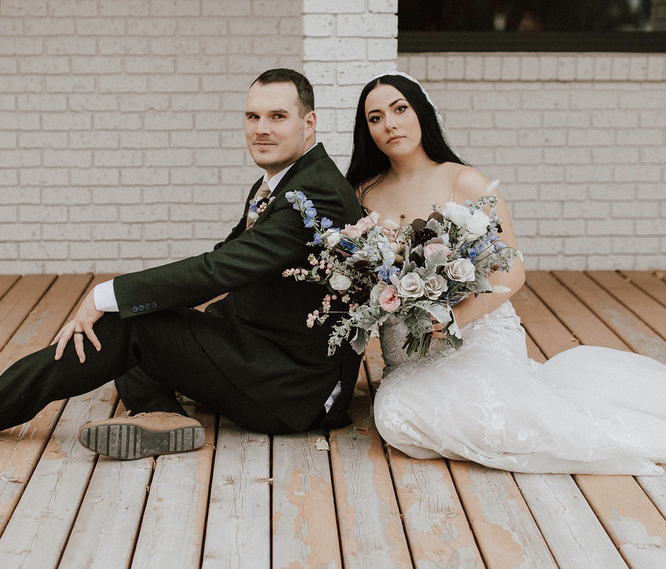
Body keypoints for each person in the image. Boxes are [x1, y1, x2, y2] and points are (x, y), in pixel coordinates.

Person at [0, 69, 363, 459]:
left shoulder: (314, 192)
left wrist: (108, 294)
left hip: (292, 389)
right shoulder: (283, 181)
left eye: (277, 117)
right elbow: (228, 258)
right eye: (252, 117)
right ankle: (163, 416)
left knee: (131, 323)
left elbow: (220, 268)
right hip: (260, 348)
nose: (261, 129)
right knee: (143, 316)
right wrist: (149, 304)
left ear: (308, 123)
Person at [346, 73, 666, 475]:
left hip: (476, 336)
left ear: (420, 113)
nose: (389, 124)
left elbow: (512, 272)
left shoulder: (465, 180)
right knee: (395, 415)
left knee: (464, 405)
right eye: (375, 117)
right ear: (367, 131)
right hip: (407, 352)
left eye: (399, 109)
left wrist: (454, 318)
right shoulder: (362, 193)